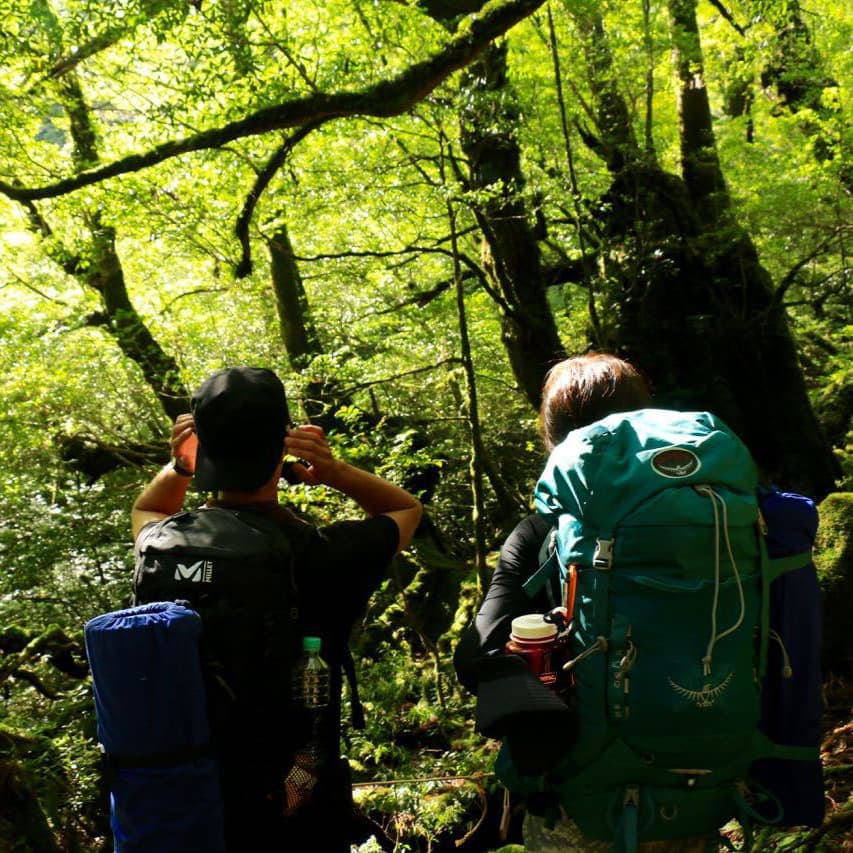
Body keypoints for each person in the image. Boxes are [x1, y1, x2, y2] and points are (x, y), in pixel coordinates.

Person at [453, 352, 822, 852]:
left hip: (585, 794)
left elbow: (476, 660)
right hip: (707, 778)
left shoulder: (542, 531)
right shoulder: (738, 519)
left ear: (554, 435)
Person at [131, 366, 422, 851]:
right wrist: (333, 470)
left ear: (202, 447)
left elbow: (148, 510)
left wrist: (180, 468)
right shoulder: (321, 552)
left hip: (189, 792)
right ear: (284, 443)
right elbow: (405, 511)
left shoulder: (162, 547)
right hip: (294, 797)